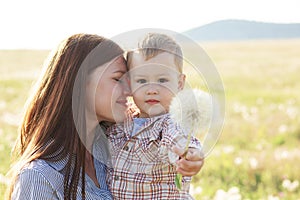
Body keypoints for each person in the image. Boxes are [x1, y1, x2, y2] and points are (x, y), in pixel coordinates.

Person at [6, 33, 204, 200]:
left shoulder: (120, 142)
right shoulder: (40, 177)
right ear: (80, 83)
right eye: (118, 79)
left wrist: (187, 155)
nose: (132, 90)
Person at [106, 33, 202, 199]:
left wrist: (189, 155)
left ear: (179, 83)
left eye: (162, 80)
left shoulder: (170, 123)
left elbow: (178, 140)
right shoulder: (123, 117)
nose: (152, 89)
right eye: (142, 81)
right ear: (129, 83)